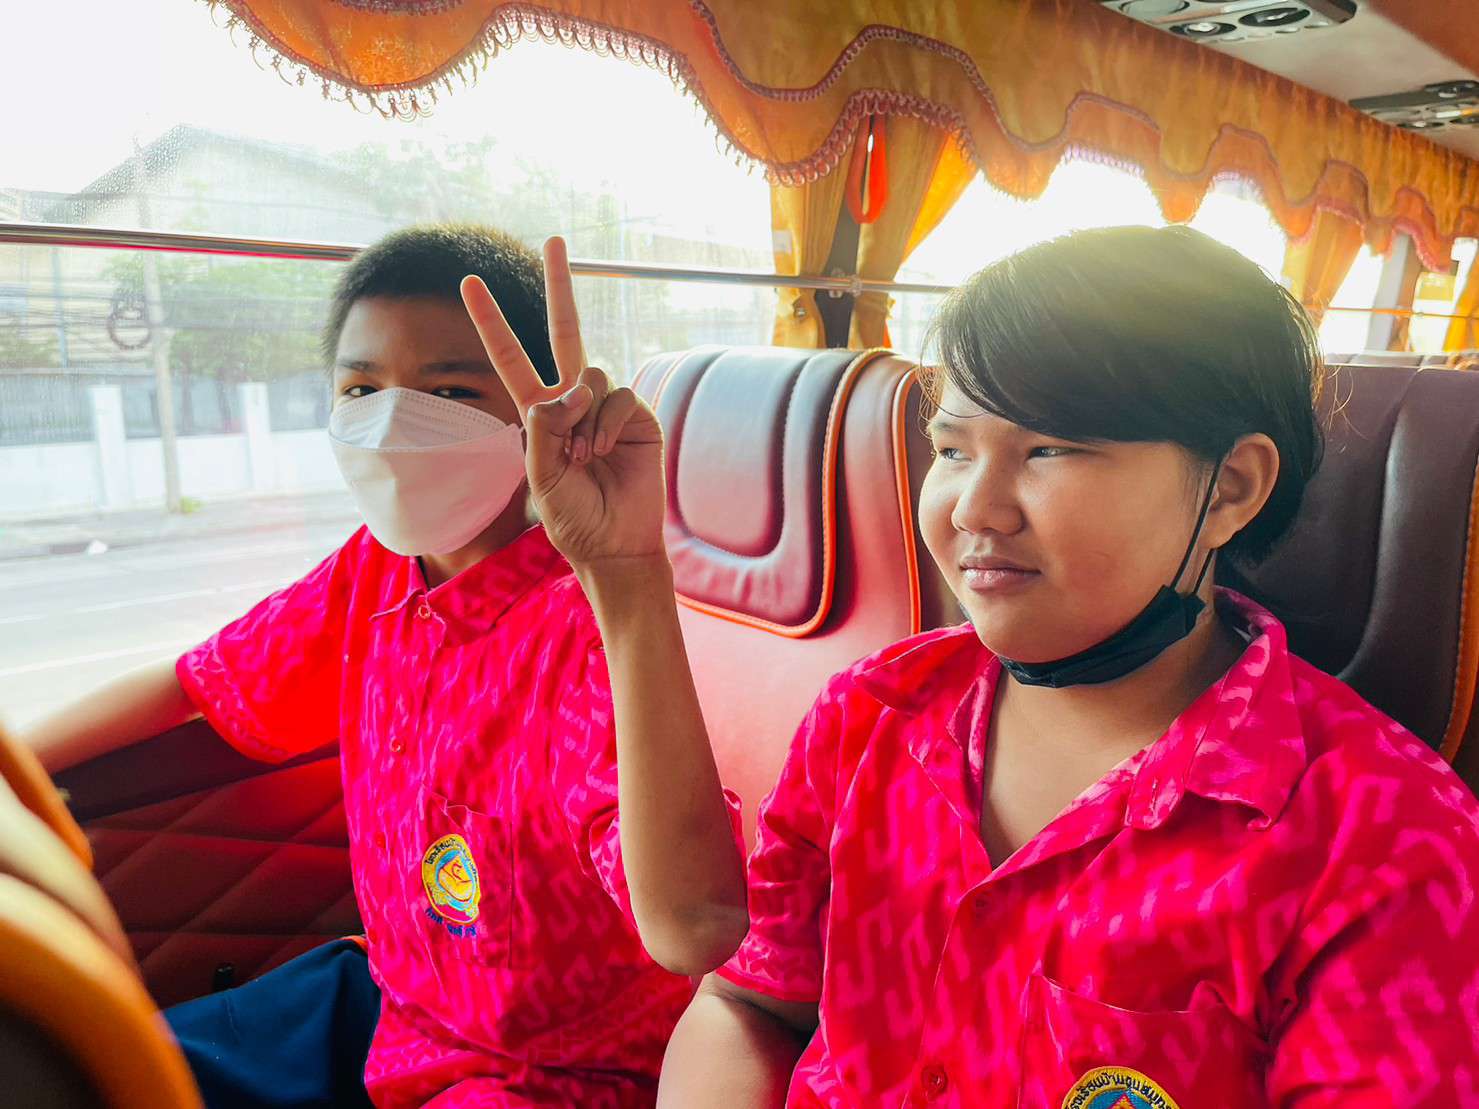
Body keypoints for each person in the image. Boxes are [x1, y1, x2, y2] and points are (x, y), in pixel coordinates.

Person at [646, 226, 1479, 1106]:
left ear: (1229, 488)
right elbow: (748, 999)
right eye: (953, 449)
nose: (974, 508)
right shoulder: (873, 711)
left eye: (1048, 449)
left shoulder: (1386, 845)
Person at [25, 224, 745, 1108]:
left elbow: (693, 929)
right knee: (80, 1069)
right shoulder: (371, 571)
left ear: (536, 413)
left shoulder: (582, 626)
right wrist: (16, 762)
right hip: (391, 1009)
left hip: (546, 1076)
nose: (394, 421)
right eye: (362, 389)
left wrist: (627, 577)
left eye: (449, 391)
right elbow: (195, 683)